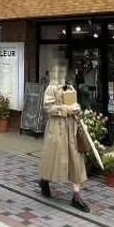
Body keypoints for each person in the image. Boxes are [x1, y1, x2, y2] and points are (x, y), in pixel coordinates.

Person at [38, 82, 90, 212]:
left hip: (72, 128)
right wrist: (67, 109)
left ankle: (76, 196)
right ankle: (44, 180)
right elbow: (48, 107)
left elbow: (74, 105)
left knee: (76, 159)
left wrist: (77, 108)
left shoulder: (71, 86)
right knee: (52, 158)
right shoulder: (51, 87)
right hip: (57, 129)